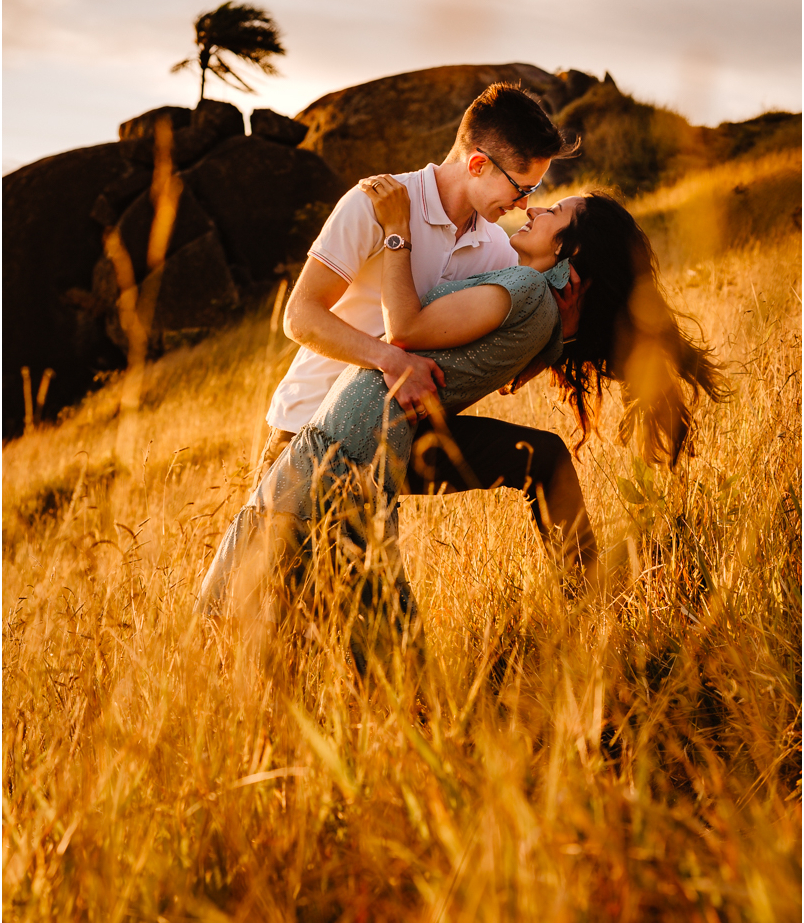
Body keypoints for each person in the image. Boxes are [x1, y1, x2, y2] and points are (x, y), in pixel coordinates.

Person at [198, 186, 724, 666]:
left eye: (554, 211)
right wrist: (558, 331)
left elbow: (414, 334)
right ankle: (588, 614)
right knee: (311, 598)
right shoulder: (524, 281)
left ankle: (588, 616)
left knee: (331, 592)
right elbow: (484, 357)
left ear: (573, 256)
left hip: (375, 429)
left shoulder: (525, 286)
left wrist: (396, 230)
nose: (533, 207)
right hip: (350, 428)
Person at [253, 82, 587, 558]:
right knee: (282, 615)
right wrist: (389, 359)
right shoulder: (377, 203)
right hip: (308, 431)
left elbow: (503, 364)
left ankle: (590, 609)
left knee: (544, 458)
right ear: (477, 164)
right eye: (522, 187)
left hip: (401, 437)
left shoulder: (495, 249)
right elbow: (301, 316)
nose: (523, 205)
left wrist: (565, 328)